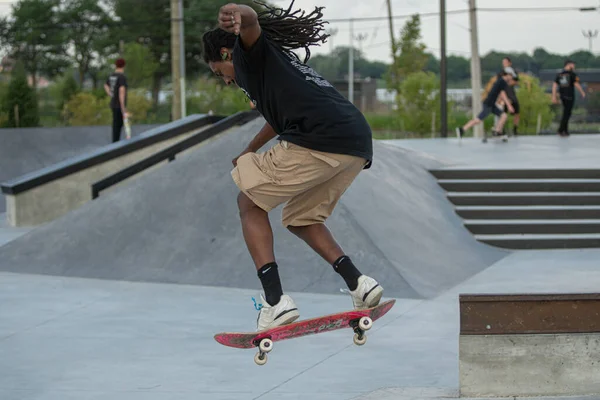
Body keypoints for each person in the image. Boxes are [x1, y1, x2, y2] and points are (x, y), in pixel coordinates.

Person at [202, 2, 383, 331]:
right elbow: (276, 120)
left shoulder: (247, 55)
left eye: (219, 73)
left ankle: (275, 302)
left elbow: (252, 22)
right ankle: (360, 284)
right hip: (354, 142)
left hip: (318, 139)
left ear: (227, 54)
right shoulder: (276, 63)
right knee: (301, 219)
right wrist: (249, 148)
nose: (225, 81)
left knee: (248, 203)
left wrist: (237, 14)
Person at [456, 71, 517, 139]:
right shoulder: (502, 81)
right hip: (488, 104)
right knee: (478, 120)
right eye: (511, 76)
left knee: (504, 116)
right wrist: (509, 105)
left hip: (492, 104)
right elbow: (503, 93)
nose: (511, 78)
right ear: (508, 75)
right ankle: (462, 129)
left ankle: (497, 131)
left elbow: (499, 93)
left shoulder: (500, 81)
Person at [553, 60, 586, 136]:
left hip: (562, 95)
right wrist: (582, 92)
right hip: (569, 96)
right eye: (573, 65)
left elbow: (554, 85)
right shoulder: (572, 74)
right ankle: (561, 130)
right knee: (567, 113)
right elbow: (576, 84)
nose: (574, 67)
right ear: (569, 65)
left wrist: (554, 96)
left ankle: (565, 130)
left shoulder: (560, 74)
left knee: (566, 113)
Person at [104, 58, 129, 142]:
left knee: (115, 125)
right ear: (124, 65)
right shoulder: (122, 77)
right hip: (119, 105)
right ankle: (115, 144)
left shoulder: (112, 75)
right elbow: (121, 92)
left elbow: (106, 85)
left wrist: (110, 94)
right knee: (118, 126)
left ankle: (115, 143)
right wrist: (123, 108)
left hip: (113, 104)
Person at [501, 57, 520, 135]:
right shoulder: (501, 72)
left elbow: (516, 81)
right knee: (504, 113)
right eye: (503, 62)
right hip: (505, 95)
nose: (504, 64)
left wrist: (510, 82)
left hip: (512, 94)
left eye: (505, 62)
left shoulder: (513, 72)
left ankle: (515, 129)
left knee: (517, 112)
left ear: (509, 63)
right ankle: (502, 129)